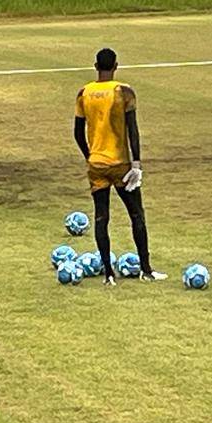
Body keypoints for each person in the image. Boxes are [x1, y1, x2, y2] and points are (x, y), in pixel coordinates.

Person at [74, 48, 167, 285]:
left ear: (96, 66)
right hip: (121, 163)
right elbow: (132, 130)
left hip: (96, 164)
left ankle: (108, 275)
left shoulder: (84, 93)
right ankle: (146, 270)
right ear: (116, 66)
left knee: (101, 217)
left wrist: (89, 156)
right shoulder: (123, 92)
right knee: (136, 214)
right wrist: (136, 164)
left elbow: (77, 132)